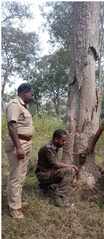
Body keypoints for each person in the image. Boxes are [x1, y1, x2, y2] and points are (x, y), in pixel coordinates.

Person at [5, 83, 35, 219]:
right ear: (24, 92)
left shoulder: (23, 106)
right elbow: (11, 126)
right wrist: (18, 147)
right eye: (31, 93)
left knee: (22, 175)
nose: (32, 95)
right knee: (16, 176)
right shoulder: (14, 104)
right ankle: (14, 208)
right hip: (19, 143)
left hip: (26, 142)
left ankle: (17, 201)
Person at [36, 129, 79, 208]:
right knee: (69, 171)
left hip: (48, 173)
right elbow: (55, 164)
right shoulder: (48, 148)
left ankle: (45, 187)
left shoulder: (55, 147)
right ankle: (60, 198)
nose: (64, 143)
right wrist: (71, 166)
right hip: (43, 175)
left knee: (66, 172)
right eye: (63, 140)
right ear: (56, 139)